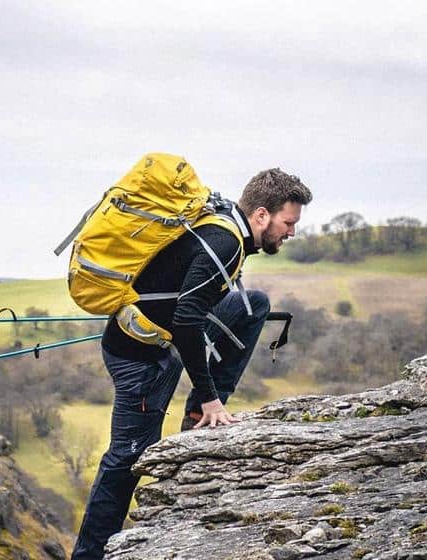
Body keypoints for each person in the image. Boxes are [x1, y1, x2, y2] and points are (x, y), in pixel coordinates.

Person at [71, 168, 312, 559]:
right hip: (140, 359)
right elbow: (186, 319)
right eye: (288, 223)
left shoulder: (225, 225)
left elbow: (192, 309)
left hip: (162, 341)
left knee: (254, 306)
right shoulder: (225, 241)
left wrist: (206, 396)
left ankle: (198, 415)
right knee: (126, 460)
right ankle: (89, 555)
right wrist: (210, 394)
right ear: (262, 215)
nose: (292, 232)